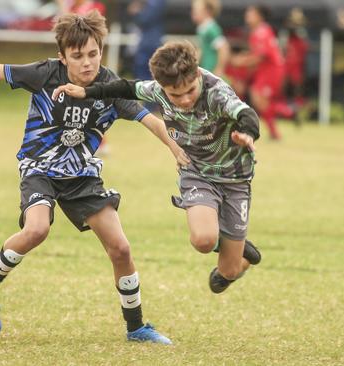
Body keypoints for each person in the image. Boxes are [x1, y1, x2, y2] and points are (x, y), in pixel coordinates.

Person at [0, 11, 186, 344]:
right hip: (39, 168)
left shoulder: (110, 86)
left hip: (82, 176)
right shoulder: (45, 73)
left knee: (121, 249)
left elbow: (151, 119)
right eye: (77, 56)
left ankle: (136, 328)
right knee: (37, 229)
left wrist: (176, 150)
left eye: (93, 54)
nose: (87, 63)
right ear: (62, 56)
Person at [52, 41, 262, 294]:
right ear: (162, 87)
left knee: (228, 272)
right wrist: (87, 92)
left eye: (190, 91)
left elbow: (246, 113)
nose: (184, 100)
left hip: (236, 178)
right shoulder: (157, 90)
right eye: (175, 95)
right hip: (197, 171)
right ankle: (225, 240)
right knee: (203, 241)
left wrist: (247, 133)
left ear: (197, 75)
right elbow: (125, 87)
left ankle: (241, 254)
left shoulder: (216, 92)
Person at [230, 4, 285, 140]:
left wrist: (241, 61)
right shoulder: (260, 30)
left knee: (258, 97)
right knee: (259, 98)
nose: (247, 16)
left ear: (259, 16)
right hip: (267, 68)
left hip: (271, 69)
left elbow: (259, 57)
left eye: (250, 13)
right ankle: (280, 124)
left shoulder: (261, 32)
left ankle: (289, 113)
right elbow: (257, 54)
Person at [127, 0, 166, 81]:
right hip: (147, 41)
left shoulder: (155, 3)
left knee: (149, 71)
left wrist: (137, 11)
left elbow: (145, 18)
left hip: (150, 42)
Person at [190, 0, 230, 78]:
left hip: (212, 70)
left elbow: (224, 49)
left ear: (206, 11)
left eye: (196, 10)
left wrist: (219, 69)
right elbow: (201, 49)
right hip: (205, 69)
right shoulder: (202, 28)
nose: (192, 13)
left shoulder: (212, 29)